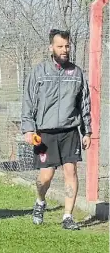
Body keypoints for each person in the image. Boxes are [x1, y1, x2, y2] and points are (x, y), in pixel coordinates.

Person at [21, 29, 92, 230]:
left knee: (71, 171)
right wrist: (28, 129)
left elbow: (84, 103)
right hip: (44, 134)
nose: (64, 50)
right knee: (46, 176)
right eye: (60, 46)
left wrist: (87, 131)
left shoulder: (77, 73)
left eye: (67, 46)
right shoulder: (39, 72)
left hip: (70, 132)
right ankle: (40, 201)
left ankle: (67, 216)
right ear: (51, 47)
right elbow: (28, 102)